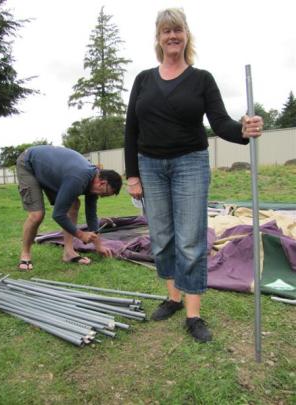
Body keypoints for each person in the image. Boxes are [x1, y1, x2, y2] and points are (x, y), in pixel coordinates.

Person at [124, 8, 264, 343]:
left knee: (189, 238)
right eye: (166, 31)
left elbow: (221, 124)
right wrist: (132, 174)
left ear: (187, 35)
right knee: (161, 237)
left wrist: (244, 130)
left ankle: (193, 313)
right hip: (151, 166)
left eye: (178, 30)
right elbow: (131, 129)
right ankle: (173, 297)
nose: (172, 36)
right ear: (158, 38)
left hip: (189, 164)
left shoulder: (201, 79)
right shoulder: (143, 79)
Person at [16, 145, 122, 271]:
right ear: (102, 183)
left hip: (50, 172)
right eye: (104, 193)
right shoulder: (79, 178)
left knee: (74, 204)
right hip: (29, 163)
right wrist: (81, 235)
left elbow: (91, 214)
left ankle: (69, 252)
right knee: (37, 214)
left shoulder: (93, 180)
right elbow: (58, 214)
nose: (101, 196)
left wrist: (98, 245)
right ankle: (25, 254)